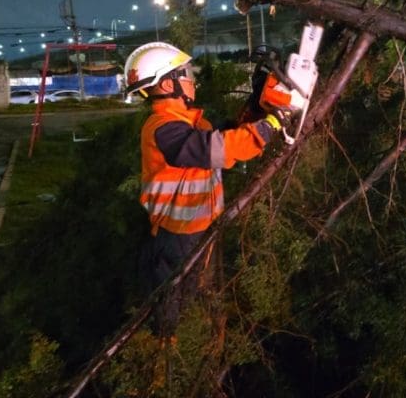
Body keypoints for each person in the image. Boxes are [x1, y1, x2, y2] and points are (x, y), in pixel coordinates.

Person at [124, 42, 289, 335]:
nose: (192, 79)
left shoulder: (189, 123)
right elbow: (217, 149)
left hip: (197, 229)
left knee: (199, 294)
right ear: (166, 83)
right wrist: (272, 125)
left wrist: (257, 106)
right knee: (173, 307)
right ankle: (166, 358)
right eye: (185, 73)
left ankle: (196, 337)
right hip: (176, 237)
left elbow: (227, 135)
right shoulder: (164, 128)